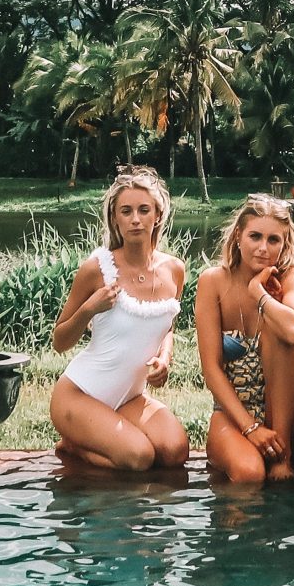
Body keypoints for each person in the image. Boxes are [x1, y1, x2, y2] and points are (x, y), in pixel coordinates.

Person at [49, 166, 189, 471]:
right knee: (139, 458)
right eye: (126, 211)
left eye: (143, 210)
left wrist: (165, 356)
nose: (135, 219)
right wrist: (89, 309)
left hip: (130, 397)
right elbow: (59, 341)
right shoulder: (97, 268)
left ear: (158, 215)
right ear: (115, 217)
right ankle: (75, 446)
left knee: (176, 451)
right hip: (79, 395)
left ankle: (100, 439)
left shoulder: (175, 270)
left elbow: (167, 323)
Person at [196, 194, 294, 482]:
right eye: (255, 236)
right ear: (239, 235)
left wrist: (259, 293)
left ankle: (284, 451)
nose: (263, 248)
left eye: (274, 240)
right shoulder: (213, 282)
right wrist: (250, 427)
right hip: (236, 412)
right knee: (248, 473)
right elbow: (211, 369)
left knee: (280, 330)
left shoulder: (293, 277)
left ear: (284, 244)